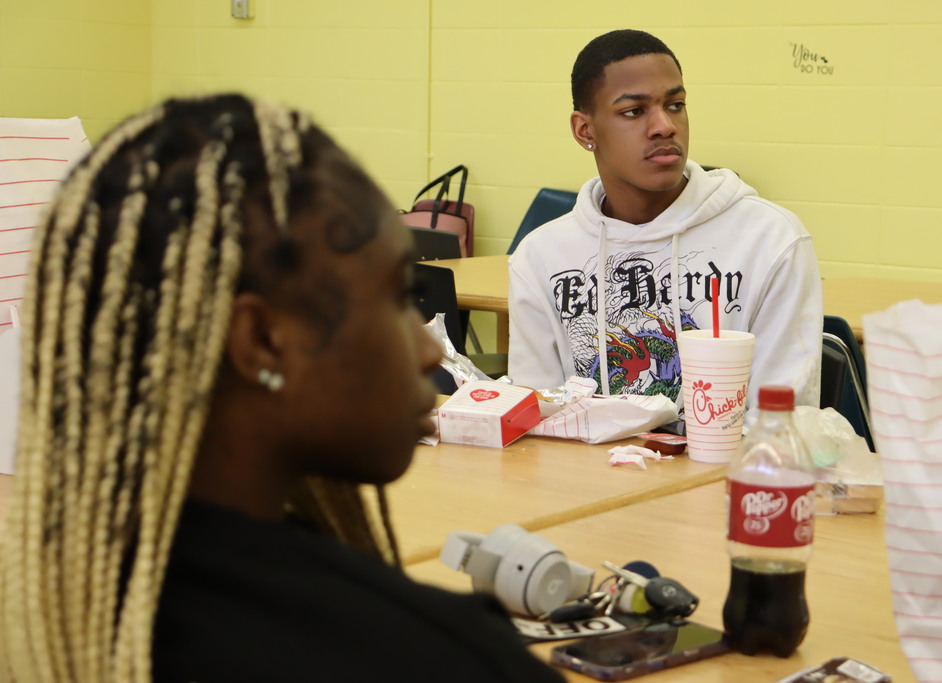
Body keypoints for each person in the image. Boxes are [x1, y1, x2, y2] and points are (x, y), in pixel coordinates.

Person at [0, 94, 565, 683]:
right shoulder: (437, 659)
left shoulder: (48, 619)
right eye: (399, 297)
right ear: (262, 340)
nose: (431, 348)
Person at [508, 29, 822, 416]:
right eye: (634, 111)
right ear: (585, 130)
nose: (664, 126)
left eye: (675, 105)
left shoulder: (772, 240)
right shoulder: (539, 257)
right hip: (585, 473)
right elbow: (535, 415)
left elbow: (779, 421)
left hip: (725, 471)